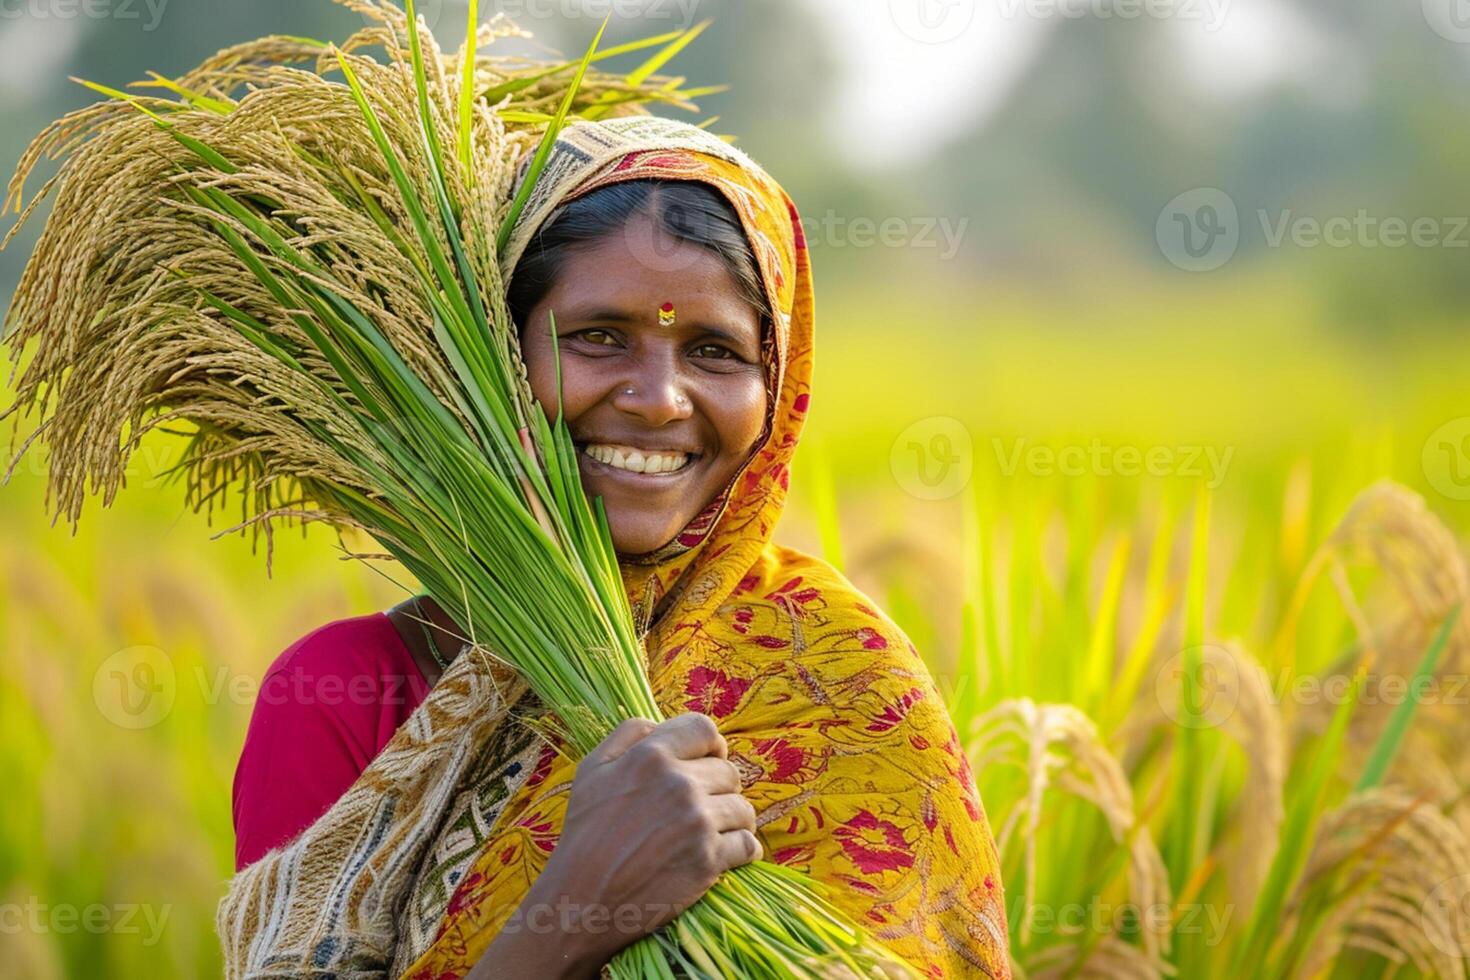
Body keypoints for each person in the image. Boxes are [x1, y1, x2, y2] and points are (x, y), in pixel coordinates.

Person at [223, 115, 1011, 979]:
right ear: (493, 359)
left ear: (775, 388)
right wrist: (574, 912)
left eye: (714, 350)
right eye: (598, 336)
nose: (659, 399)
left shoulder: (840, 674)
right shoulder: (351, 692)